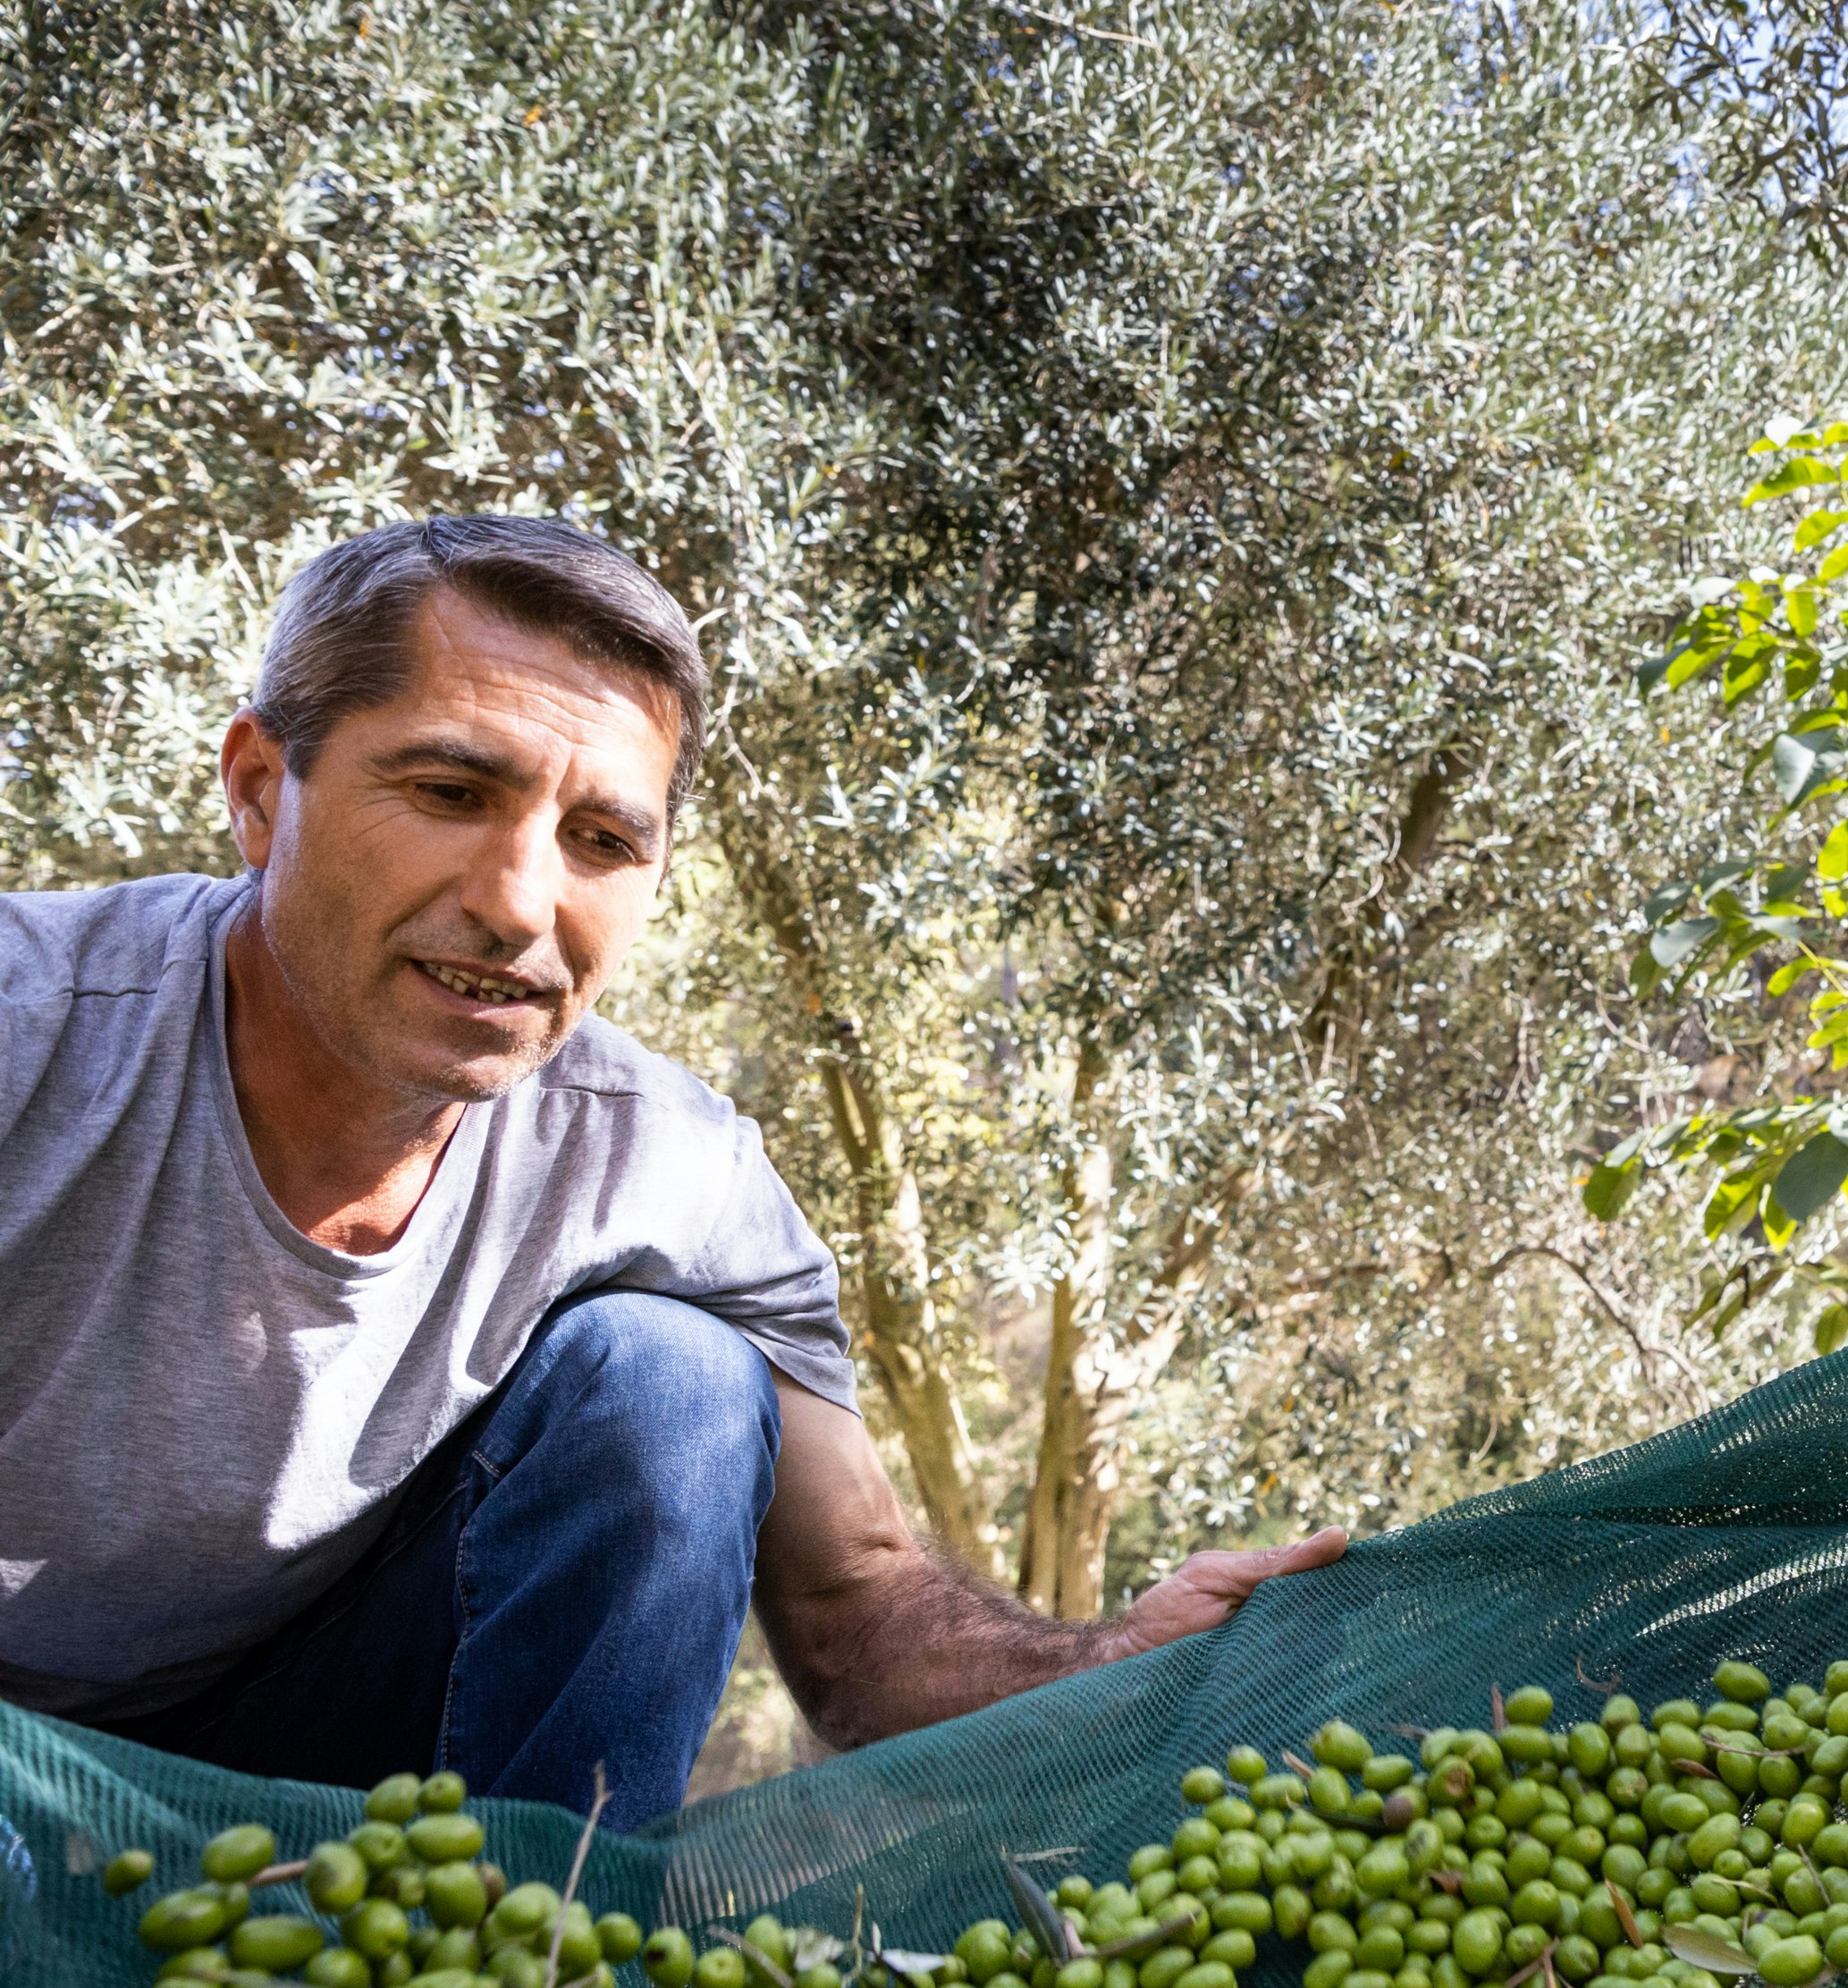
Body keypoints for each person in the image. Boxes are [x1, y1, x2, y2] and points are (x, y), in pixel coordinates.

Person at [0, 515, 1343, 1826]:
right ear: (256, 788)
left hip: (319, 1765)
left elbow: (853, 1614)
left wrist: (1113, 1663)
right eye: (451, 792)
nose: (521, 903)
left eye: (603, 840)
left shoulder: (669, 1169)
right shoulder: (35, 1029)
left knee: (673, 1381)